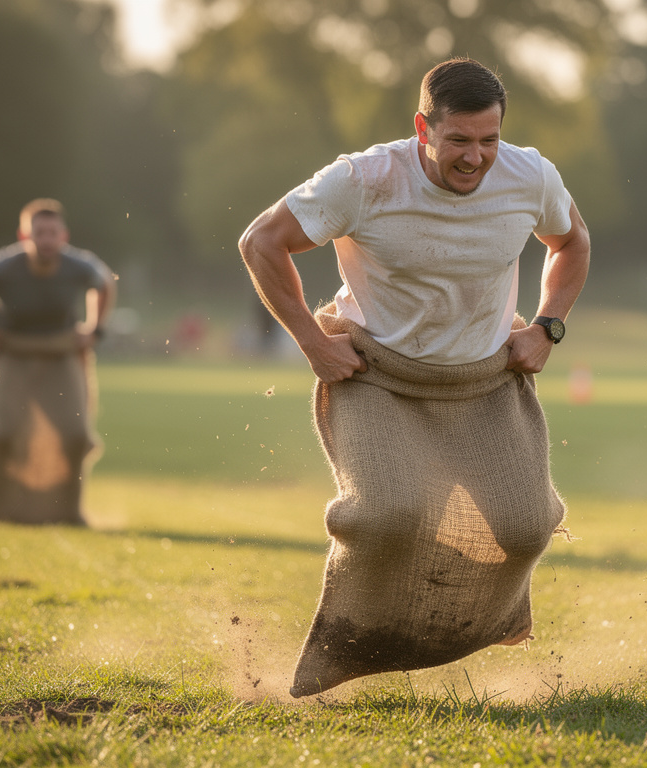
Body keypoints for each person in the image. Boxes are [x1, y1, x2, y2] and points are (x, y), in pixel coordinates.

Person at [238, 58, 590, 697]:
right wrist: (313, 343)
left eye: (489, 139)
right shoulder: (363, 179)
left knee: (525, 528)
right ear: (423, 128)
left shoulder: (530, 175)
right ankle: (348, 642)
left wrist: (547, 326)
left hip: (482, 380)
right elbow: (261, 241)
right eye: (459, 140)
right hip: (379, 373)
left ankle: (489, 618)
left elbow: (572, 242)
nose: (475, 157)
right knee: (386, 516)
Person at [0, 199, 115, 526]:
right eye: (39, 233)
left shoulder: (78, 265)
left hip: (60, 351)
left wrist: (95, 330)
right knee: (1, 433)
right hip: (10, 351)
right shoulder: (1, 266)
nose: (46, 240)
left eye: (53, 233)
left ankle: (69, 513)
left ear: (64, 236)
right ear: (24, 236)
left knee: (76, 435)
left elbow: (105, 283)